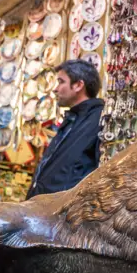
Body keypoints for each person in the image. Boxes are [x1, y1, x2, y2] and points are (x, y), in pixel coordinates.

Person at [26, 60, 106, 199]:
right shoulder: (72, 120)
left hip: (63, 214)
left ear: (78, 85)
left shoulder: (99, 119)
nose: (55, 89)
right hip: (43, 211)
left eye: (61, 82)